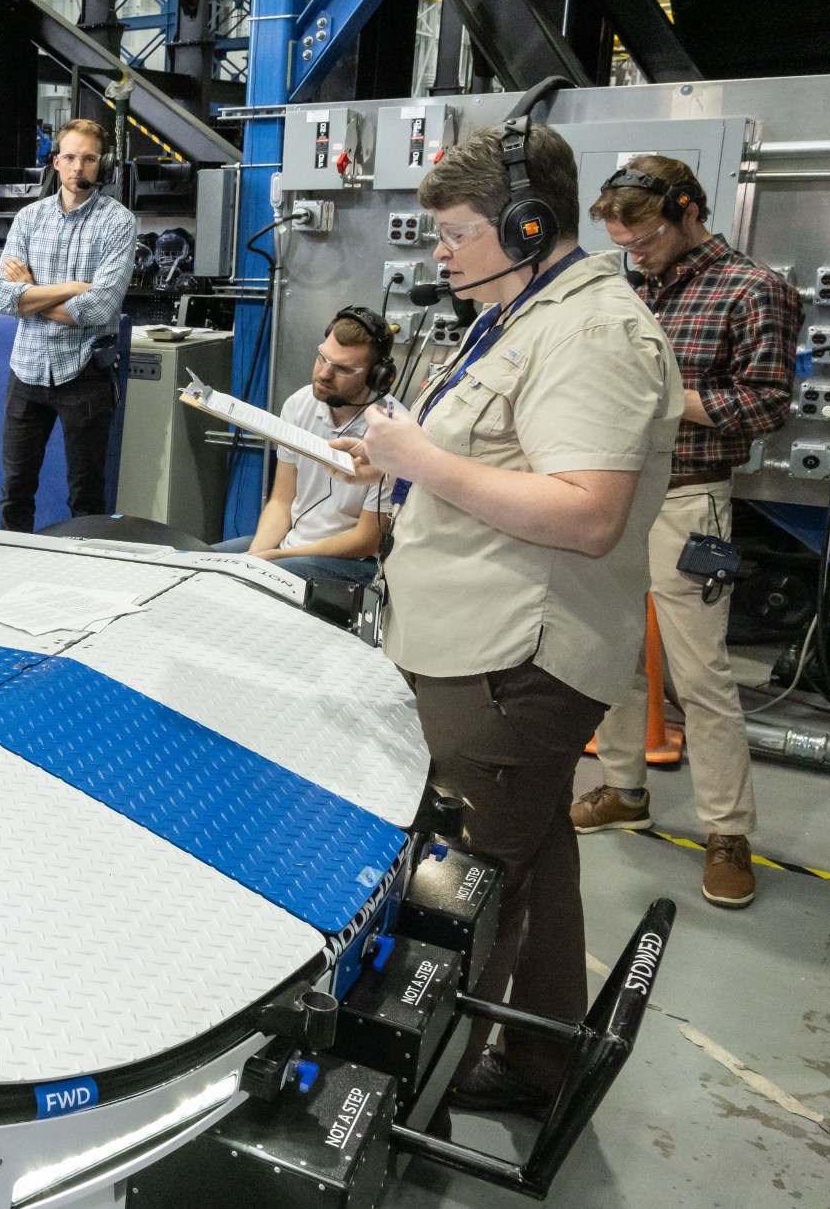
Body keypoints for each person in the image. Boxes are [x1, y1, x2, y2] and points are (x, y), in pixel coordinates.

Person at [328, 120, 684, 1119]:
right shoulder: (521, 313)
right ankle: (540, 1064)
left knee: (469, 883)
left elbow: (586, 510)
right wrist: (395, 459)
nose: (435, 251)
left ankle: (421, 1087)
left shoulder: (590, 330)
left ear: (525, 223)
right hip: (474, 640)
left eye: (451, 231)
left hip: (510, 658)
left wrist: (423, 464)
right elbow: (492, 460)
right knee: (533, 857)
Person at [576, 157, 802, 909]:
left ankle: (727, 832)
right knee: (608, 653)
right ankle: (622, 786)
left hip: (688, 501)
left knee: (702, 679)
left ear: (689, 211)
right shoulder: (624, 286)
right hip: (611, 494)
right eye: (620, 238)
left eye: (641, 235)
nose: (631, 250)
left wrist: (664, 397)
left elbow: (766, 406)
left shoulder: (753, 289)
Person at [0, 117, 139, 532]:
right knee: (14, 490)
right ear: (56, 162)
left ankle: (82, 585)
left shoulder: (118, 222)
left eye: (88, 159)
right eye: (70, 157)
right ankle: (11, 573)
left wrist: (31, 294)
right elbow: (1, 298)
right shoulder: (30, 218)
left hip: (85, 372)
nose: (78, 168)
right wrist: (70, 287)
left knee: (86, 496)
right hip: (28, 370)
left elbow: (98, 309)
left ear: (100, 165)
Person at [213, 307, 403, 586]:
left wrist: (273, 559)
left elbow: (365, 541)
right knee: (194, 563)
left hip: (353, 563)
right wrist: (254, 558)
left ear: (376, 376)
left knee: (246, 581)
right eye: (322, 358)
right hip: (293, 546)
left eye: (343, 368)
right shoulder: (299, 404)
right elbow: (281, 501)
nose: (324, 374)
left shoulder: (390, 430)